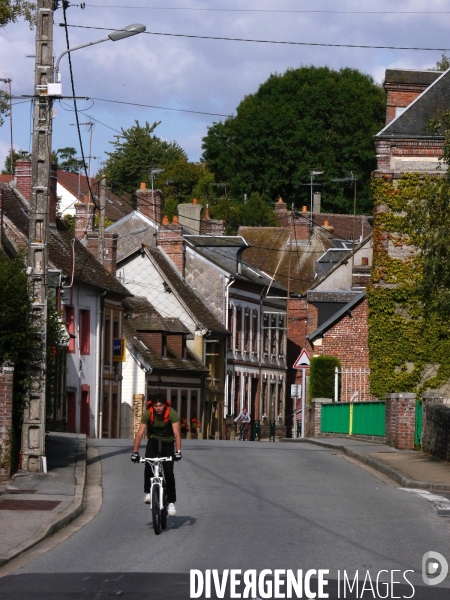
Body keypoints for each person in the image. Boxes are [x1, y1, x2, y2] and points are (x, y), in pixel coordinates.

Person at [131, 392, 182, 517]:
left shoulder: (172, 413)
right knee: (148, 464)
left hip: (168, 442)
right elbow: (139, 433)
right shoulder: (148, 414)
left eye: (160, 405)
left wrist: (178, 452)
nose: (158, 408)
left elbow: (177, 433)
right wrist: (135, 452)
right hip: (153, 441)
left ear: (165, 405)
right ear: (152, 406)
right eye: (156, 406)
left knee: (169, 472)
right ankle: (148, 491)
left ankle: (171, 503)